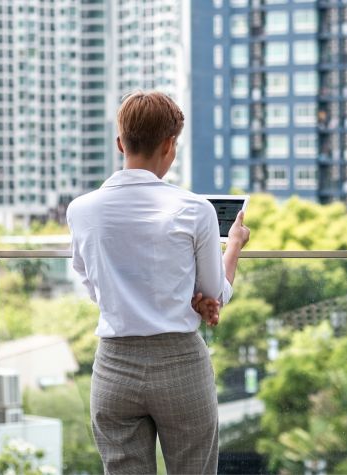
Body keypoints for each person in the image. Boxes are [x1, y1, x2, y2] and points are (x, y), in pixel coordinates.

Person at [66, 91, 250, 474]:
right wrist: (233, 246)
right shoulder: (194, 208)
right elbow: (215, 294)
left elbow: (93, 285)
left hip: (114, 367)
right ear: (170, 145)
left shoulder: (81, 210)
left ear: (120, 143)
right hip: (180, 362)